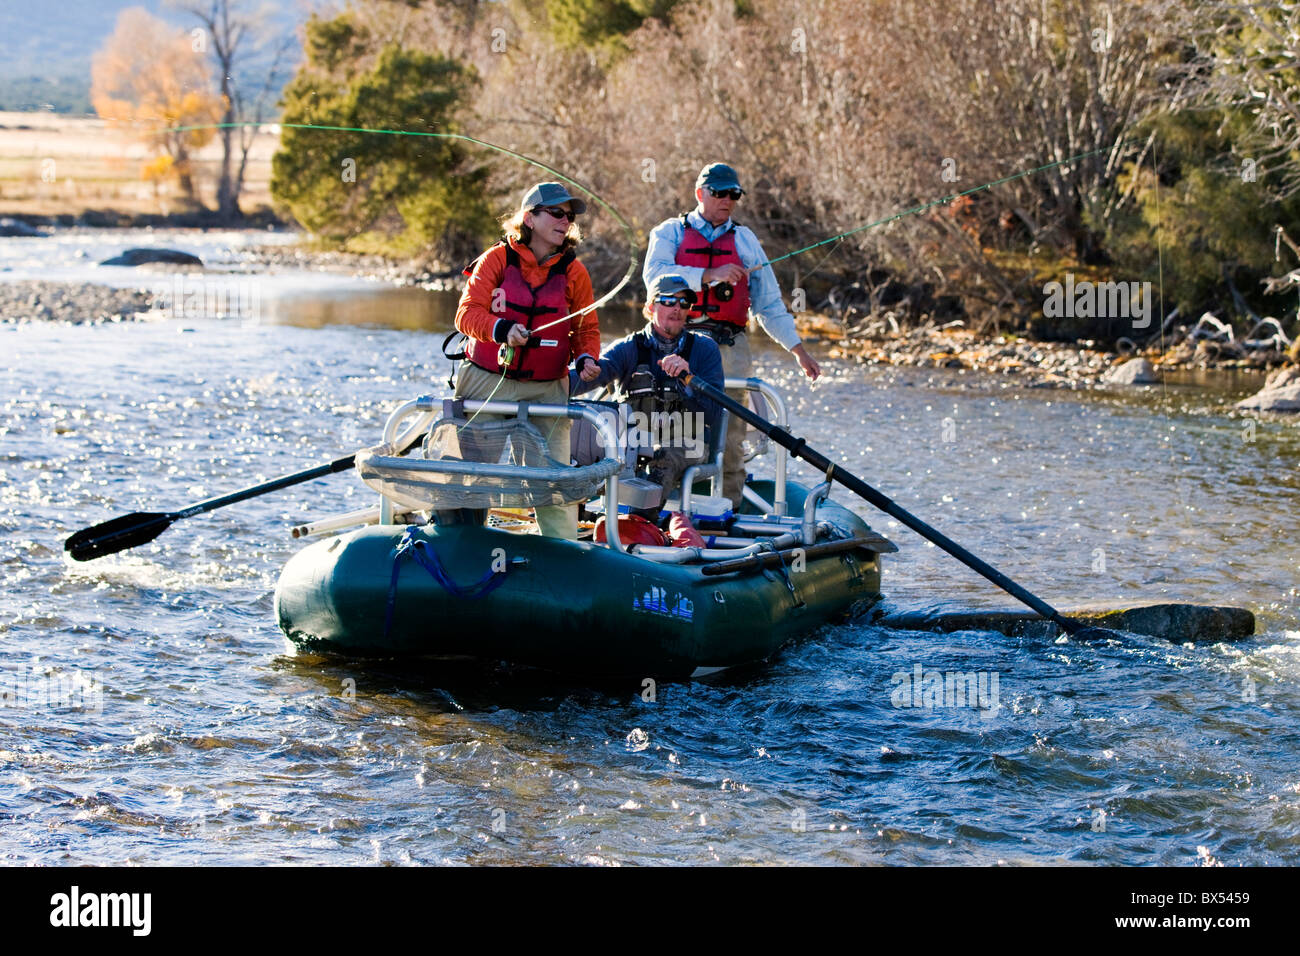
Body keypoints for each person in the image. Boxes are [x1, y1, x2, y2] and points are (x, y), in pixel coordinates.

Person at [643, 162, 821, 511]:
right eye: (720, 193)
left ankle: (727, 510)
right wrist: (709, 274)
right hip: (680, 343)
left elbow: (769, 302)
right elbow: (655, 278)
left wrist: (799, 351)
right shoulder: (669, 233)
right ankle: (668, 510)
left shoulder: (745, 240)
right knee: (674, 425)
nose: (727, 200)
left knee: (732, 433)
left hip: (730, 345)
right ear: (700, 194)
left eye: (734, 194)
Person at [453, 181, 603, 539]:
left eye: (568, 216)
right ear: (529, 218)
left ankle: (560, 551)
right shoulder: (495, 260)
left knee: (552, 482)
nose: (565, 221)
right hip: (488, 380)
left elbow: (586, 330)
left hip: (548, 389)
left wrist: (586, 358)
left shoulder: (574, 273)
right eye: (555, 213)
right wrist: (501, 328)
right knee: (473, 478)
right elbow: (465, 315)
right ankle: (462, 544)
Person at [570, 274, 725, 543]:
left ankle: (639, 529)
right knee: (577, 439)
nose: (676, 308)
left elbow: (713, 414)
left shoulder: (705, 350)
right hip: (632, 440)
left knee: (665, 456)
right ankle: (566, 520)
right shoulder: (628, 348)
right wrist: (554, 382)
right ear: (650, 307)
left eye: (683, 302)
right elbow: (591, 376)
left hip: (688, 440)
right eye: (667, 300)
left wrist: (688, 382)